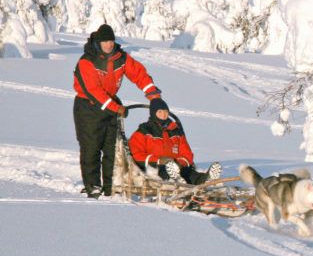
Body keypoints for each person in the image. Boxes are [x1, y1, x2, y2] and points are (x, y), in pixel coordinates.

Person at [73, 24, 163, 198]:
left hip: (111, 105)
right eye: (105, 41)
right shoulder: (87, 61)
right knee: (91, 148)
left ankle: (109, 186)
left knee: (112, 149)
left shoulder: (120, 58)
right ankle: (93, 186)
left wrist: (153, 95)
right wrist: (116, 108)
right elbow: (94, 91)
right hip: (88, 108)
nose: (108, 45)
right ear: (98, 42)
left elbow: (138, 73)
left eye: (111, 41)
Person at [128, 98, 221, 185]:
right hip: (155, 167)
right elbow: (136, 155)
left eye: (166, 112)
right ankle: (176, 180)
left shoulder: (176, 131)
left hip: (178, 166)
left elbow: (187, 154)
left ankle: (205, 180)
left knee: (189, 173)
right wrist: (159, 160)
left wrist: (180, 163)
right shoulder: (144, 131)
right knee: (166, 170)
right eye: (159, 112)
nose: (163, 115)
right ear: (153, 113)